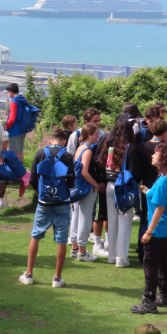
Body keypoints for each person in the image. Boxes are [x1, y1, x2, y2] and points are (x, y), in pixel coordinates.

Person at [20, 128, 76, 287]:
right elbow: (72, 182)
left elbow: (32, 179)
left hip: (44, 203)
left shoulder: (40, 153)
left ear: (50, 140)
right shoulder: (67, 156)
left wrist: (39, 193)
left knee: (35, 236)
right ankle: (57, 278)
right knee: (61, 240)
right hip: (62, 204)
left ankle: (29, 274)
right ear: (64, 142)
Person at [131, 143, 167, 314]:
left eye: (156, 153)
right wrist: (148, 192)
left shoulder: (162, 182)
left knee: (150, 265)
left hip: (157, 229)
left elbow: (160, 208)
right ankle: (165, 296)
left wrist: (148, 232)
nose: (153, 155)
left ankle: (149, 301)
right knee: (162, 263)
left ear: (164, 159)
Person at [100, 114, 144, 268]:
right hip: (123, 187)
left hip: (109, 185)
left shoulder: (108, 143)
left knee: (112, 221)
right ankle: (122, 258)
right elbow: (135, 171)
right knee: (124, 222)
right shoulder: (129, 147)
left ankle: (112, 255)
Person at [67, 108, 108, 257]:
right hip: (86, 187)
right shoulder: (88, 150)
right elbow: (85, 171)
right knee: (85, 218)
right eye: (96, 133)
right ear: (90, 135)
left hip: (77, 187)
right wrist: (96, 185)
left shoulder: (79, 148)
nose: (99, 135)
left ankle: (75, 247)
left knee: (76, 216)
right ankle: (83, 251)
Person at [135, 119, 167, 263]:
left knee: (145, 218)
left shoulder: (141, 147)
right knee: (161, 218)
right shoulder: (166, 148)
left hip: (146, 186)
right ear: (165, 132)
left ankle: (142, 251)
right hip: (162, 186)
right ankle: (161, 253)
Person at [0, 82, 33, 210]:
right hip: (23, 130)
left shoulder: (14, 102)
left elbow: (12, 118)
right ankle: (23, 174)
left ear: (10, 91)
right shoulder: (23, 100)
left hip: (13, 130)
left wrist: (6, 127)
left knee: (13, 155)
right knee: (20, 152)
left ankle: (19, 177)